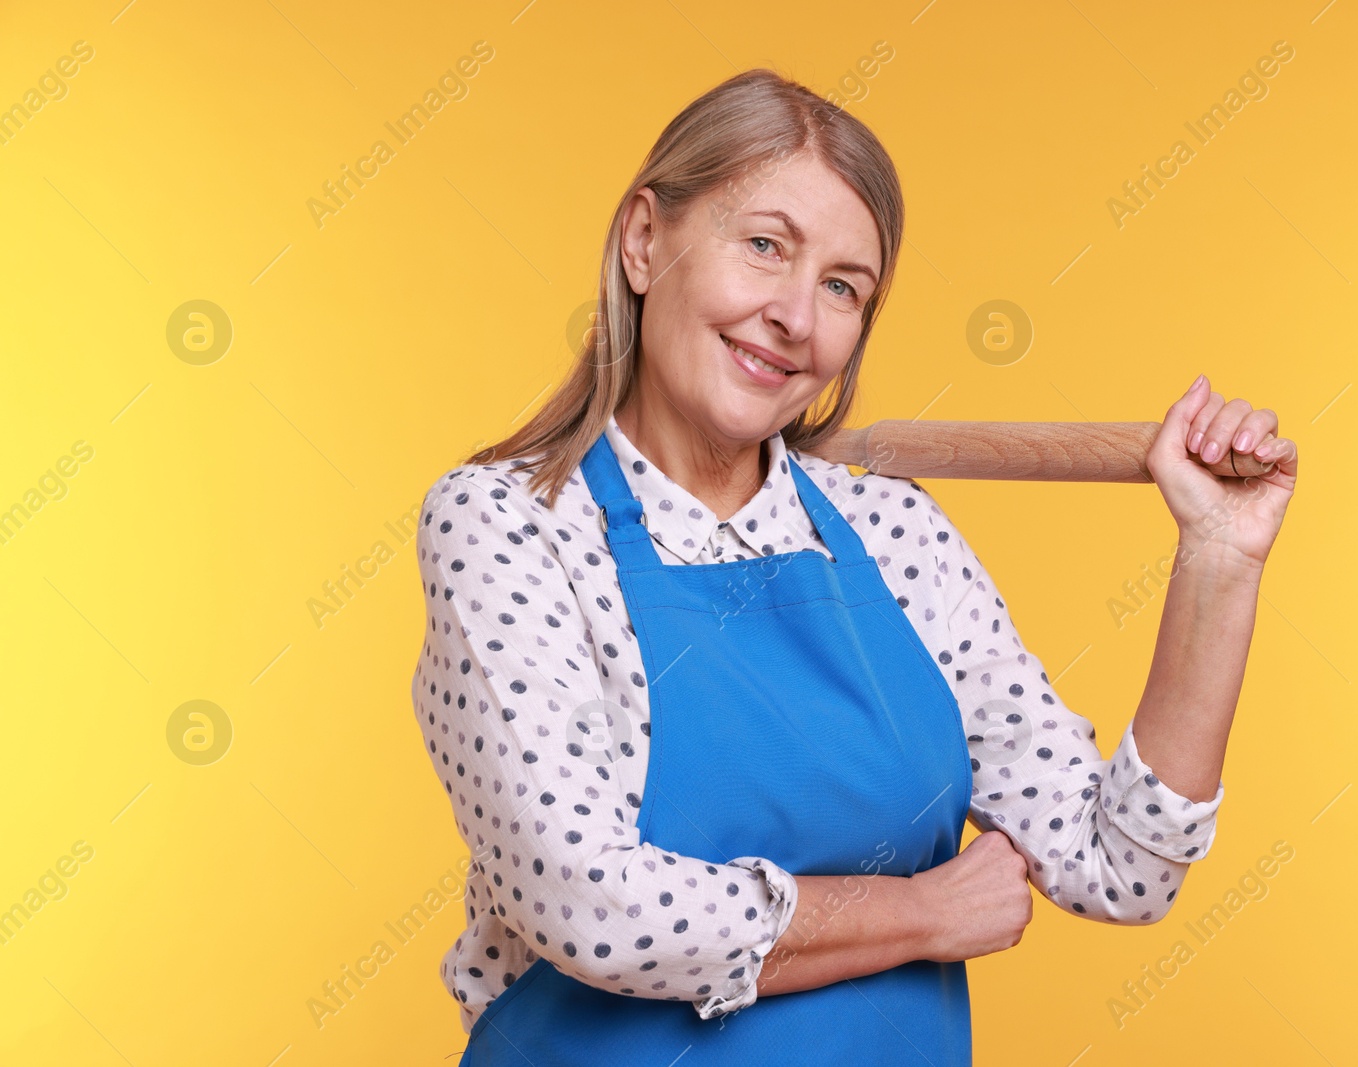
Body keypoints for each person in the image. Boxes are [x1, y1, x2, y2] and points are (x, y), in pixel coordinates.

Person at [409, 68, 1297, 1067]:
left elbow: (1120, 865)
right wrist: (919, 912)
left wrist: (1218, 557)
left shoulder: (894, 530)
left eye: (842, 286)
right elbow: (588, 905)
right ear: (645, 240)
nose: (796, 315)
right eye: (764, 246)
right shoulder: (508, 522)